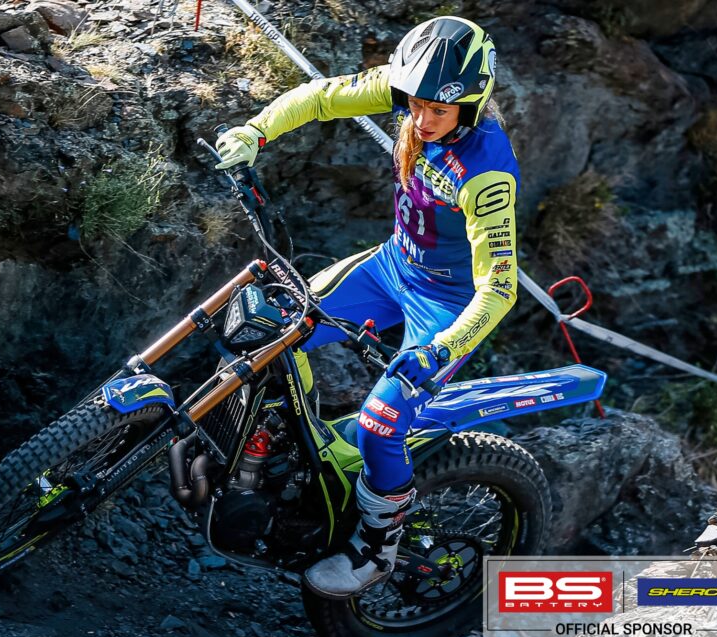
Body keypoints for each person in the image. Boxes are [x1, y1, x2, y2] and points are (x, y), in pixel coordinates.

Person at [215, 16, 520, 599]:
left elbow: (499, 289)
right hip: (391, 268)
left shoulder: (488, 173)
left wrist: (441, 349)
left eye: (438, 110)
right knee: (270, 331)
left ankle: (377, 548)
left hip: (449, 305)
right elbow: (320, 97)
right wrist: (257, 131)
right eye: (415, 105)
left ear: (470, 105)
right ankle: (302, 452)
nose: (421, 119)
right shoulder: (410, 91)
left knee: (381, 424)